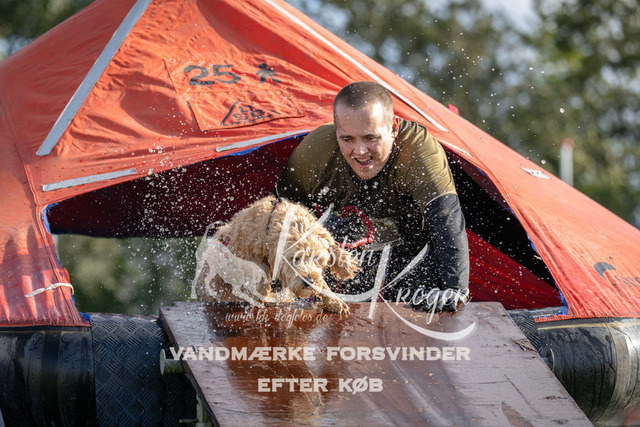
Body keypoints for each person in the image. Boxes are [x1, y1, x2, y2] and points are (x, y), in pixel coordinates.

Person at [275, 81, 469, 313]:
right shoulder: (315, 150)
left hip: (413, 255)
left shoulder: (419, 152)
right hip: (346, 257)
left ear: (393, 128)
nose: (360, 151)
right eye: (347, 139)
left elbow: (446, 221)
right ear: (336, 131)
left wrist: (454, 289)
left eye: (370, 138)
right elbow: (278, 219)